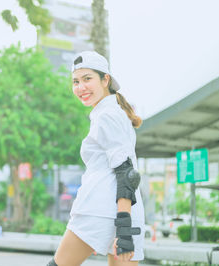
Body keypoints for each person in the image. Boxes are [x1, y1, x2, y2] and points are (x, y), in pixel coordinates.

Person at [47, 51, 145, 266]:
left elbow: (126, 172)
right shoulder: (112, 112)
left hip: (100, 211)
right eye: (76, 81)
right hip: (124, 212)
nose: (80, 87)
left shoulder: (107, 115)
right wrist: (125, 224)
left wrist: (124, 226)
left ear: (105, 79)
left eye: (87, 79)